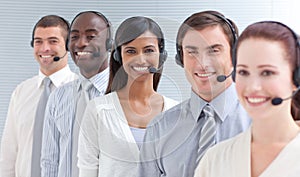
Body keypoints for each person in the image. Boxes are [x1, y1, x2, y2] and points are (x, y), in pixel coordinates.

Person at [138, 10, 251, 177]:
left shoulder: (262, 123)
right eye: (192, 52)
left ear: (235, 55)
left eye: (214, 50)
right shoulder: (159, 129)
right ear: (180, 58)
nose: (203, 63)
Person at [194, 21, 300, 177]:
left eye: (267, 73)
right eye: (243, 72)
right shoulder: (215, 159)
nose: (253, 87)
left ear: (296, 79)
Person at [77, 16, 178, 177]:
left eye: (149, 50)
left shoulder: (176, 112)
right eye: (131, 51)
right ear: (118, 56)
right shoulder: (99, 109)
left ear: (162, 55)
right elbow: (87, 170)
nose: (141, 59)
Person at [0, 15, 76, 177]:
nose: (45, 48)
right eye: (38, 41)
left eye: (53, 41)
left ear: (69, 45)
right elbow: (9, 152)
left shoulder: (81, 91)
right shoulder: (21, 92)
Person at [40, 11, 112, 177]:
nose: (81, 43)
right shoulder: (58, 97)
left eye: (91, 36)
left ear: (109, 43)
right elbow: (50, 161)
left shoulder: (122, 94)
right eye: (74, 37)